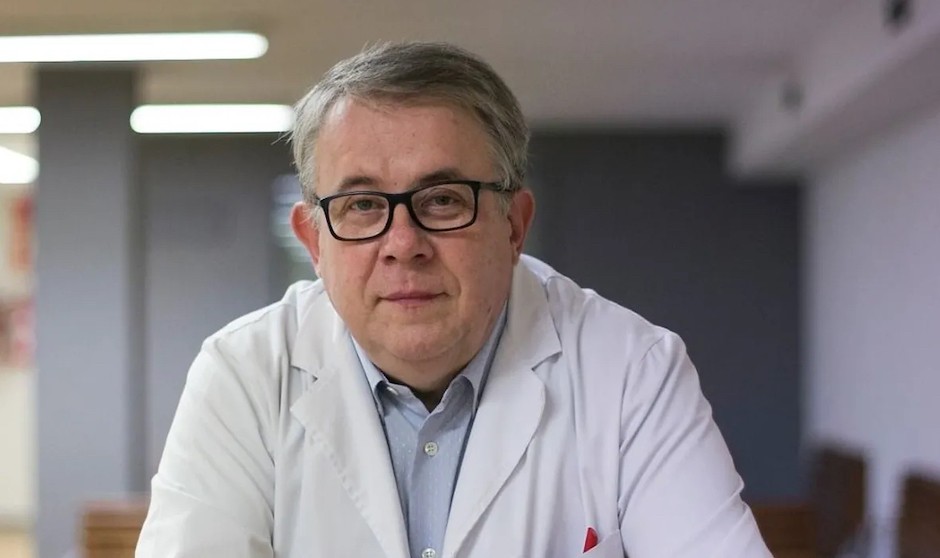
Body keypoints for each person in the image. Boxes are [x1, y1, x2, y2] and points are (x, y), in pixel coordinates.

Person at [136, 41, 771, 558]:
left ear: (514, 226)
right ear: (314, 242)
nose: (403, 244)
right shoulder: (245, 374)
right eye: (362, 205)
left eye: (443, 200)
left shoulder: (632, 371)